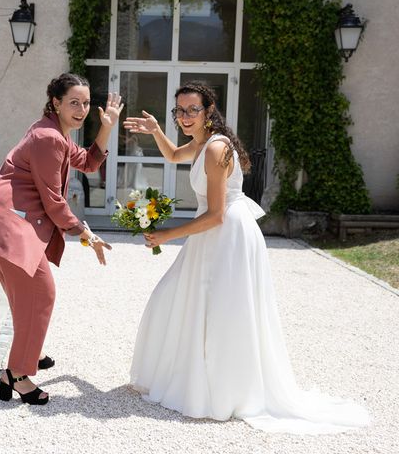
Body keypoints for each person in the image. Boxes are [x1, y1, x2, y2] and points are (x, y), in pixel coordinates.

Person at [123, 82, 369, 433]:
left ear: (209, 110)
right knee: (187, 301)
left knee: (222, 310)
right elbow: (174, 156)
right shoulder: (203, 142)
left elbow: (216, 215)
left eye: (192, 110)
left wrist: (166, 234)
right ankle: (203, 381)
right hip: (217, 233)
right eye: (179, 111)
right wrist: (158, 132)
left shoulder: (214, 148)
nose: (185, 117)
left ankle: (223, 392)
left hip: (226, 234)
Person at [0, 73, 123, 405]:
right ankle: (17, 375)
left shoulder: (54, 133)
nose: (81, 109)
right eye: (73, 102)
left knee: (27, 296)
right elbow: (54, 201)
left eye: (86, 103)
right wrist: (86, 234)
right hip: (6, 223)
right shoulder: (49, 138)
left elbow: (90, 163)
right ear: (56, 103)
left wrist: (106, 126)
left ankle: (26, 357)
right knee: (41, 292)